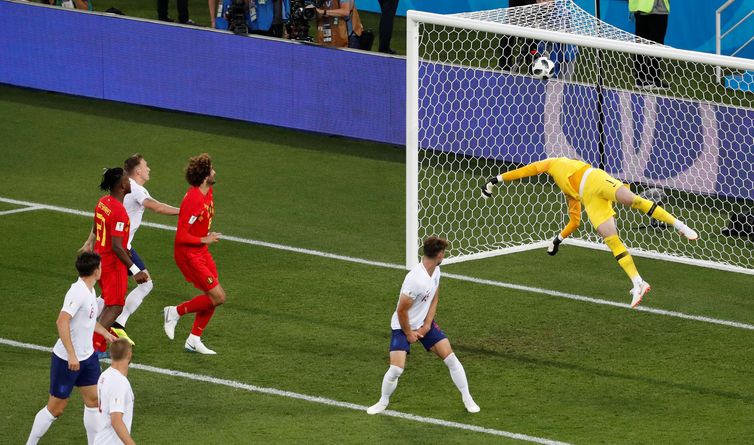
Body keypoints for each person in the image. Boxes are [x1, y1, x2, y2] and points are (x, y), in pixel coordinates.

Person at [481, 157, 698, 308]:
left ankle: (679, 225)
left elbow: (526, 170)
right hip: (590, 199)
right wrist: (558, 239)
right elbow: (575, 221)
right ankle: (638, 282)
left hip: (594, 178)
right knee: (611, 239)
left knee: (632, 200)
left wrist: (496, 179)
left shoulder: (554, 162)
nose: (540, 169)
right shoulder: (568, 191)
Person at [366, 237, 480, 415]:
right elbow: (401, 311)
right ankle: (382, 401)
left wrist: (427, 325)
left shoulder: (436, 271)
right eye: (444, 252)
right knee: (396, 369)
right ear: (439, 254)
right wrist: (409, 333)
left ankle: (468, 398)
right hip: (402, 326)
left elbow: (434, 296)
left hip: (423, 324)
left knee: (451, 358)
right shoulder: (414, 280)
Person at [26, 252, 117, 445]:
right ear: (96, 270)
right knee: (56, 408)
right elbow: (62, 321)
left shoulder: (90, 290)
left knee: (94, 401)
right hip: (68, 360)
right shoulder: (78, 292)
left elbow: (88, 320)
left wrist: (106, 334)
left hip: (88, 358)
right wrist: (71, 354)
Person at [110, 154, 180, 344]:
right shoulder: (136, 189)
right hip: (117, 249)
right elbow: (156, 207)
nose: (149, 169)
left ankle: (118, 324)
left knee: (145, 284)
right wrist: (184, 211)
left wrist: (88, 242)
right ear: (138, 170)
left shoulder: (121, 188)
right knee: (109, 297)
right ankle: (98, 331)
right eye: (146, 166)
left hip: (123, 246)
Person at [80, 168, 149, 354]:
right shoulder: (119, 211)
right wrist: (136, 270)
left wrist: (89, 243)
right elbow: (117, 246)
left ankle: (89, 338)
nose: (130, 183)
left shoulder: (103, 202)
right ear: (121, 185)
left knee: (108, 302)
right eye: (127, 180)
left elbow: (96, 223)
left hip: (99, 259)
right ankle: (95, 347)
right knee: (116, 306)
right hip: (112, 264)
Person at [163, 153, 224, 355]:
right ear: (205, 176)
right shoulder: (194, 199)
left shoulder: (209, 191)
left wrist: (204, 237)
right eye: (212, 169)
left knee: (213, 296)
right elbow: (181, 235)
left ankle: (193, 339)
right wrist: (203, 239)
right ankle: (174, 312)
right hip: (188, 254)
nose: (215, 171)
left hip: (200, 250)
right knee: (218, 296)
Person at [94, 339, 136, 445]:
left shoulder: (104, 375)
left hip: (101, 439)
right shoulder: (119, 382)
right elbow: (116, 420)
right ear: (129, 355)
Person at [630, 0, 670, 89]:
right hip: (656, 9)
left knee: (641, 44)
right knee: (656, 44)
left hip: (641, 7)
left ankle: (640, 79)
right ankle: (652, 78)